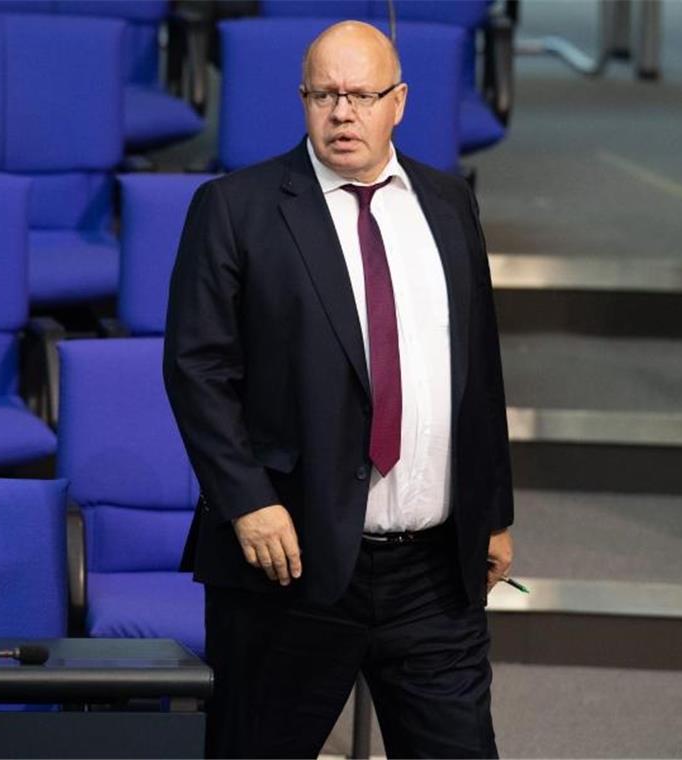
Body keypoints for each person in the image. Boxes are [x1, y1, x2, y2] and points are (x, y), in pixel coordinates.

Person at [162, 20, 514, 759]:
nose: (342, 112)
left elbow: (477, 371)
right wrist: (249, 502)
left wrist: (493, 510)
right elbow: (198, 370)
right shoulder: (236, 208)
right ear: (302, 100)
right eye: (324, 94)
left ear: (400, 102)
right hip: (290, 569)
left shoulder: (449, 205)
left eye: (361, 94)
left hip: (431, 574)